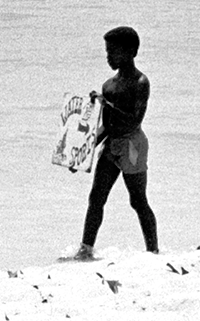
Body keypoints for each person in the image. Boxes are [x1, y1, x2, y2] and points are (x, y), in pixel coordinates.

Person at [65, 26, 159, 258]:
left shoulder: (140, 83)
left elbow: (134, 122)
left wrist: (107, 106)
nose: (108, 57)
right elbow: (106, 126)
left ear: (131, 51)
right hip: (112, 145)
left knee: (137, 201)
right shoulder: (108, 86)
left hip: (132, 146)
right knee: (96, 197)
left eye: (113, 52)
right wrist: (81, 153)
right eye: (107, 52)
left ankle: (153, 251)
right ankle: (85, 250)